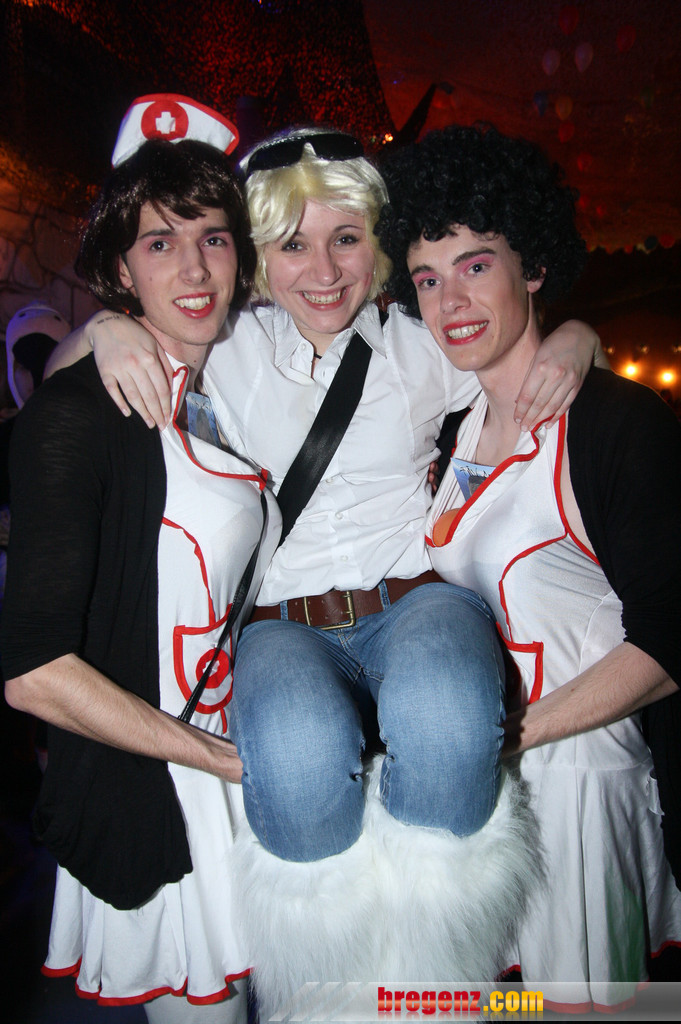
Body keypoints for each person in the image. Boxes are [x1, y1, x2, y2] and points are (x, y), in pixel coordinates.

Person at [49, 122, 602, 1016]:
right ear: (259, 257)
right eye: (292, 245)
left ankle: (430, 980)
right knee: (299, 765)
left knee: (449, 719)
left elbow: (522, 348)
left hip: (415, 602)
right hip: (283, 625)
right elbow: (63, 379)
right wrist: (105, 330)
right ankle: (331, 995)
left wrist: (577, 337)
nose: (323, 271)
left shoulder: (419, 343)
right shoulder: (225, 345)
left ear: (377, 244)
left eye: (345, 238)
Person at [377, 123, 681, 1013]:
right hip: (484, 794)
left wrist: (509, 735)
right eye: (426, 277)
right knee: (495, 1005)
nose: (449, 300)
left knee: (574, 1004)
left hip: (579, 786)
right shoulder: (450, 430)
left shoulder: (616, 424)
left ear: (534, 266)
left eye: (474, 265)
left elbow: (672, 638)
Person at [1, 98, 281, 1024]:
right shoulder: (78, 416)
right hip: (169, 783)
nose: (194, 269)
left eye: (213, 238)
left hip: (240, 761)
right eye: (160, 243)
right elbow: (34, 673)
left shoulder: (217, 390)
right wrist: (223, 763)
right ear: (121, 268)